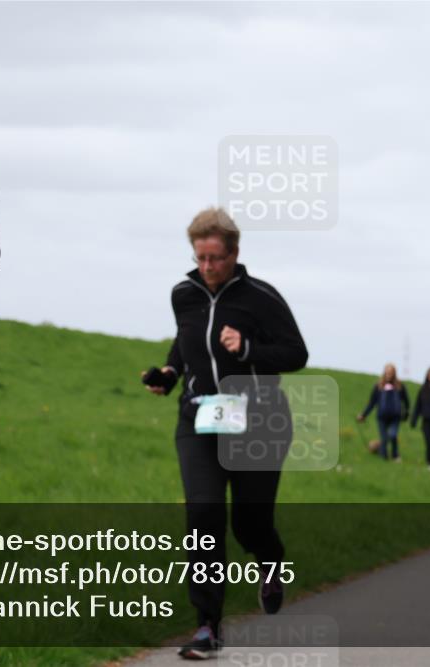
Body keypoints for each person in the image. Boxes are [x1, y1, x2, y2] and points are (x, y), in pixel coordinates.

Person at [142, 208, 307, 660]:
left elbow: (297, 353)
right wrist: (170, 372)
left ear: (234, 253)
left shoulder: (261, 298)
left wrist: (248, 348)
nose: (208, 267)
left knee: (250, 522)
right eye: (201, 258)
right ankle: (207, 628)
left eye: (216, 258)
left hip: (259, 420)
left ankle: (270, 561)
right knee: (204, 516)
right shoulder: (184, 293)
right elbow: (186, 338)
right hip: (199, 418)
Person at [357, 363, 409, 462]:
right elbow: (372, 403)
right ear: (384, 373)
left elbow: (406, 402)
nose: (389, 374)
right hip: (382, 417)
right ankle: (383, 458)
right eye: (387, 372)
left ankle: (395, 456)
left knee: (393, 435)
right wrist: (363, 415)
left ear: (394, 373)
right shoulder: (378, 386)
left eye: (391, 372)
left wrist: (406, 414)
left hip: (395, 417)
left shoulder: (400, 386)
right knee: (384, 438)